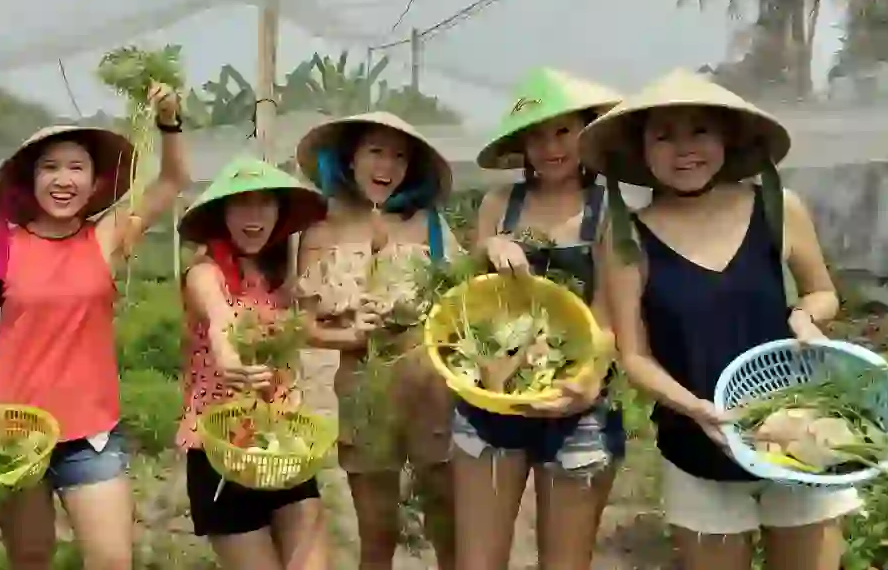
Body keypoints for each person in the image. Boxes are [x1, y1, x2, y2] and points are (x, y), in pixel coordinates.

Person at [582, 70, 857, 570]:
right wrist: (695, 409)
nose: (684, 149)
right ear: (641, 151)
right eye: (664, 136)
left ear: (726, 138)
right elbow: (634, 353)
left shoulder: (778, 207)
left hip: (800, 432)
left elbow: (823, 292)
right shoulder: (626, 239)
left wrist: (806, 316)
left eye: (699, 131)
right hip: (697, 448)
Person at [0, 83, 189, 570]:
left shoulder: (106, 237)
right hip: (13, 428)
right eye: (50, 167)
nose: (63, 179)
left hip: (90, 433)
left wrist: (168, 121)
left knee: (111, 560)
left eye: (76, 167)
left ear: (93, 182)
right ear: (31, 180)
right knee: (32, 557)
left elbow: (170, 182)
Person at [453, 68, 625, 570]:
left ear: (586, 135)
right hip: (491, 397)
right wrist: (489, 245)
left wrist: (587, 381)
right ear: (521, 147)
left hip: (575, 406)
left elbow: (609, 317)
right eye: (536, 136)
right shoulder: (499, 205)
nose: (551, 147)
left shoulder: (609, 213)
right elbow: (469, 297)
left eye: (563, 131)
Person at [294, 111, 457, 570]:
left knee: (447, 521)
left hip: (431, 389)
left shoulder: (429, 226)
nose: (387, 165)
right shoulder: (320, 232)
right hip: (363, 391)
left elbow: (463, 301)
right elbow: (303, 324)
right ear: (349, 159)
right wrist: (349, 334)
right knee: (378, 530)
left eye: (400, 156)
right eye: (375, 151)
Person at [175, 156, 332, 570]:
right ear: (221, 214)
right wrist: (230, 358)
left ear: (280, 214)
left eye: (265, 204)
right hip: (221, 448)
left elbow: (307, 331)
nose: (254, 215)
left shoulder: (277, 280)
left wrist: (360, 332)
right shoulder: (204, 272)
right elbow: (220, 317)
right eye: (241, 203)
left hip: (281, 442)